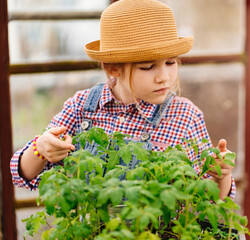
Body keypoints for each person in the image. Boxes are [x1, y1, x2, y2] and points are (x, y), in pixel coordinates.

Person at [10, 0, 236, 200]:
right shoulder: (82, 107)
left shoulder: (184, 115)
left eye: (171, 62)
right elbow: (22, 174)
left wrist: (220, 174)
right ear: (112, 69)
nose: (164, 77)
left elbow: (212, 198)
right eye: (148, 67)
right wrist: (42, 148)